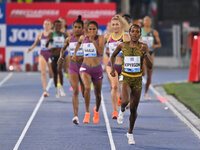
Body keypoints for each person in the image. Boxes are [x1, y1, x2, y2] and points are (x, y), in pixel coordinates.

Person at [110, 24, 152, 145]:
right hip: (125, 78)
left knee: (133, 109)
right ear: (129, 33)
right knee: (124, 101)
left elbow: (150, 66)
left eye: (137, 32)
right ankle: (122, 109)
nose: (134, 34)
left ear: (140, 34)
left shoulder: (144, 47)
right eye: (132, 31)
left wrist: (146, 54)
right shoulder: (123, 45)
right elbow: (113, 55)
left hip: (137, 79)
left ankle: (130, 133)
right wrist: (112, 69)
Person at [72, 21, 104, 124]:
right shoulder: (82, 38)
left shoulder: (100, 38)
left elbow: (101, 52)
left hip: (97, 69)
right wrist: (75, 54)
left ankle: (97, 111)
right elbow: (78, 45)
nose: (92, 31)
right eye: (90, 29)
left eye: (94, 29)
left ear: (97, 30)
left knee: (98, 94)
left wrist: (93, 41)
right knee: (86, 87)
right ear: (87, 30)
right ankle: (87, 112)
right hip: (85, 68)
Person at [58, 16, 84, 125]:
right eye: (75, 27)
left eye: (79, 27)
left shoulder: (85, 38)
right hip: (73, 66)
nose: (77, 29)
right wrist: (61, 56)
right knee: (75, 91)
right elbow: (63, 48)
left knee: (85, 90)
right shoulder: (69, 39)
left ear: (82, 28)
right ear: (72, 28)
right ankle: (76, 115)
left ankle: (88, 109)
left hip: (84, 66)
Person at [104, 15, 130, 119]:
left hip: (123, 66)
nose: (115, 26)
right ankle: (115, 111)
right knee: (114, 86)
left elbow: (130, 52)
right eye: (113, 24)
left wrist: (123, 48)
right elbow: (102, 49)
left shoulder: (125, 37)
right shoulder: (108, 37)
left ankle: (122, 107)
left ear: (121, 25)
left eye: (117, 24)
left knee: (124, 89)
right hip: (112, 65)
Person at [27, 19, 53, 97]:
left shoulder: (53, 34)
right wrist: (30, 49)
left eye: (48, 24)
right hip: (42, 54)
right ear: (43, 25)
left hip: (51, 54)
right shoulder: (40, 34)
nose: (46, 25)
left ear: (51, 25)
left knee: (51, 74)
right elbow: (35, 44)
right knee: (43, 73)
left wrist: (52, 47)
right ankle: (45, 90)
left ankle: (52, 75)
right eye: (45, 24)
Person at [141, 16, 161, 100]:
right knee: (143, 73)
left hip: (151, 53)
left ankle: (145, 93)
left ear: (151, 22)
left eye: (149, 20)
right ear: (143, 22)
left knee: (149, 75)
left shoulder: (154, 32)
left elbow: (159, 44)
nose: (148, 22)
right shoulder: (140, 31)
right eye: (146, 20)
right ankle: (135, 89)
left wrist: (154, 45)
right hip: (142, 53)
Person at [46, 20, 67, 98]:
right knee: (55, 73)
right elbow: (46, 45)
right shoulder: (51, 34)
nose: (58, 27)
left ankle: (61, 87)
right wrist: (49, 40)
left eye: (59, 26)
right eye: (56, 25)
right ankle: (57, 89)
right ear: (53, 26)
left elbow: (69, 43)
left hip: (61, 56)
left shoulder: (64, 35)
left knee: (59, 70)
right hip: (53, 55)